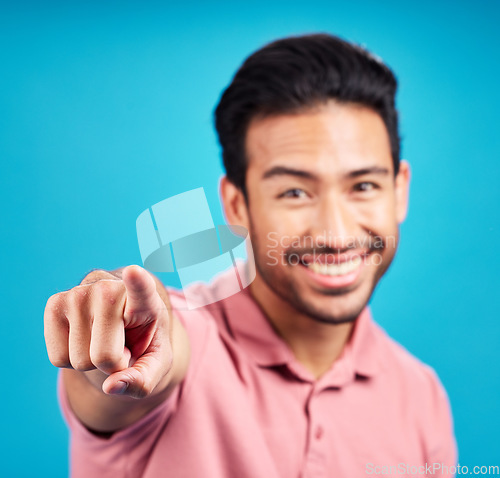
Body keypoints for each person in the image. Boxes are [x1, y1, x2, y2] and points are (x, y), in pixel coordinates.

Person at [44, 33, 458, 478]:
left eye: (363, 186)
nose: (336, 234)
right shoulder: (189, 338)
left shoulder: (422, 396)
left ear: (399, 189)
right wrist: (121, 332)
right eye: (294, 192)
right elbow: (152, 352)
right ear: (237, 205)